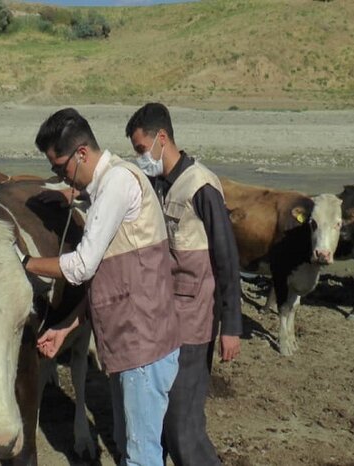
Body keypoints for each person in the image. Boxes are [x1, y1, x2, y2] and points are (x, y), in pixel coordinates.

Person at [26, 108, 181, 466]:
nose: (61, 177)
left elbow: (81, 267)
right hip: (133, 343)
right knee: (131, 447)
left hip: (143, 345)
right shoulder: (108, 187)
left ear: (81, 153)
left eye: (60, 168)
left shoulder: (116, 184)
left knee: (142, 455)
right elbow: (110, 285)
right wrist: (66, 328)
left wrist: (25, 262)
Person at [125, 102, 243, 466]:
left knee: (182, 425)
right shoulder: (160, 183)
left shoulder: (201, 186)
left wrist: (231, 327)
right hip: (165, 321)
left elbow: (227, 261)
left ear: (163, 138)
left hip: (194, 325)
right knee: (166, 419)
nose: (142, 158)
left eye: (143, 150)